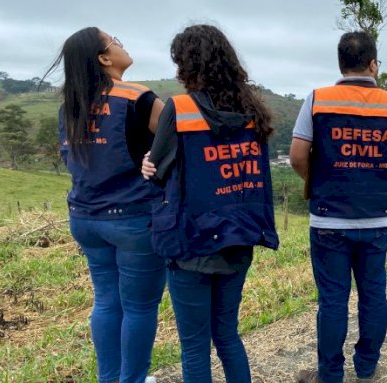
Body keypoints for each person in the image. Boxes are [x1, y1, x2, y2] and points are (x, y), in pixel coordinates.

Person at [141, 24, 279, 382]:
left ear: (188, 65)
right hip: (238, 237)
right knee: (228, 335)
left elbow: (158, 172)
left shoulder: (180, 109)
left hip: (191, 242)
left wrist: (146, 164)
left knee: (195, 345)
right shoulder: (253, 112)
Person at [289, 31, 387, 383]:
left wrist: (317, 185)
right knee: (373, 293)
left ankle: (330, 374)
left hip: (328, 218)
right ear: (373, 64)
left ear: (341, 63)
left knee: (333, 299)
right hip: (377, 218)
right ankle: (367, 367)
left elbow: (298, 156)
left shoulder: (318, 99)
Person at [46, 27, 166, 383]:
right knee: (140, 307)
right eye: (116, 41)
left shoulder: (70, 105)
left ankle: (109, 379)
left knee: (106, 301)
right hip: (134, 219)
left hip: (85, 218)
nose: (122, 44)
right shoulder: (140, 98)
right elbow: (178, 146)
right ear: (104, 58)